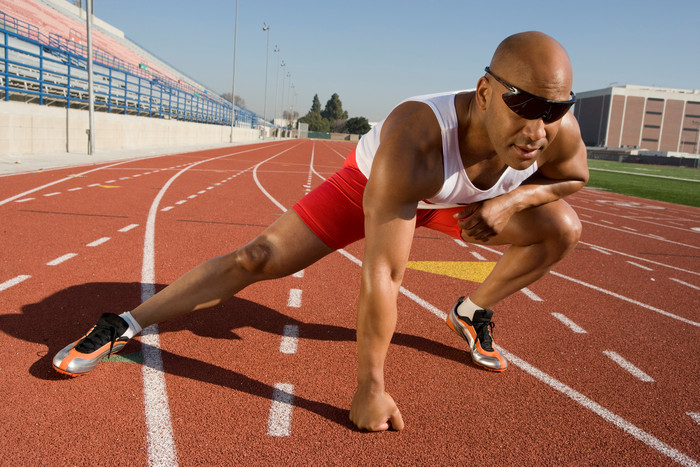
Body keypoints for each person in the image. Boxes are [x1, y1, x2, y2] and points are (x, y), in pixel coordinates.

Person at [53, 31, 588, 432]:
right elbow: (384, 273)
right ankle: (124, 323)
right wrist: (369, 388)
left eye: (555, 109)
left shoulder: (553, 131)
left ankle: (472, 312)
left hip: (462, 202)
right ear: (485, 92)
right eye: (523, 105)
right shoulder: (417, 137)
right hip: (375, 188)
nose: (537, 129)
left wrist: (513, 200)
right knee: (259, 257)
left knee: (562, 229)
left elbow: (573, 175)